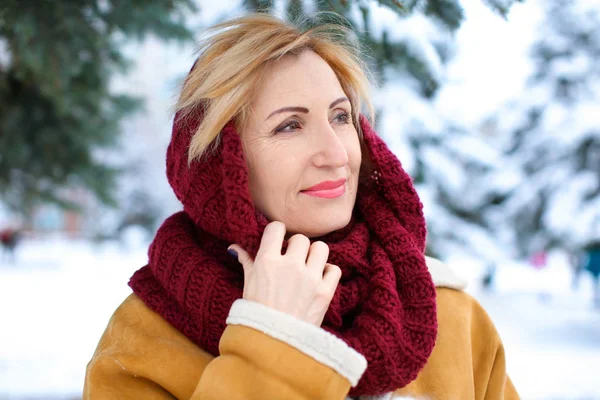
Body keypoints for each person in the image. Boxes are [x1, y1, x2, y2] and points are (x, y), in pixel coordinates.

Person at [84, 14, 519, 399]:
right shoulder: (144, 343)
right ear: (220, 166)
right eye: (290, 125)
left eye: (341, 117)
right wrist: (272, 340)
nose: (336, 154)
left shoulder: (451, 318)